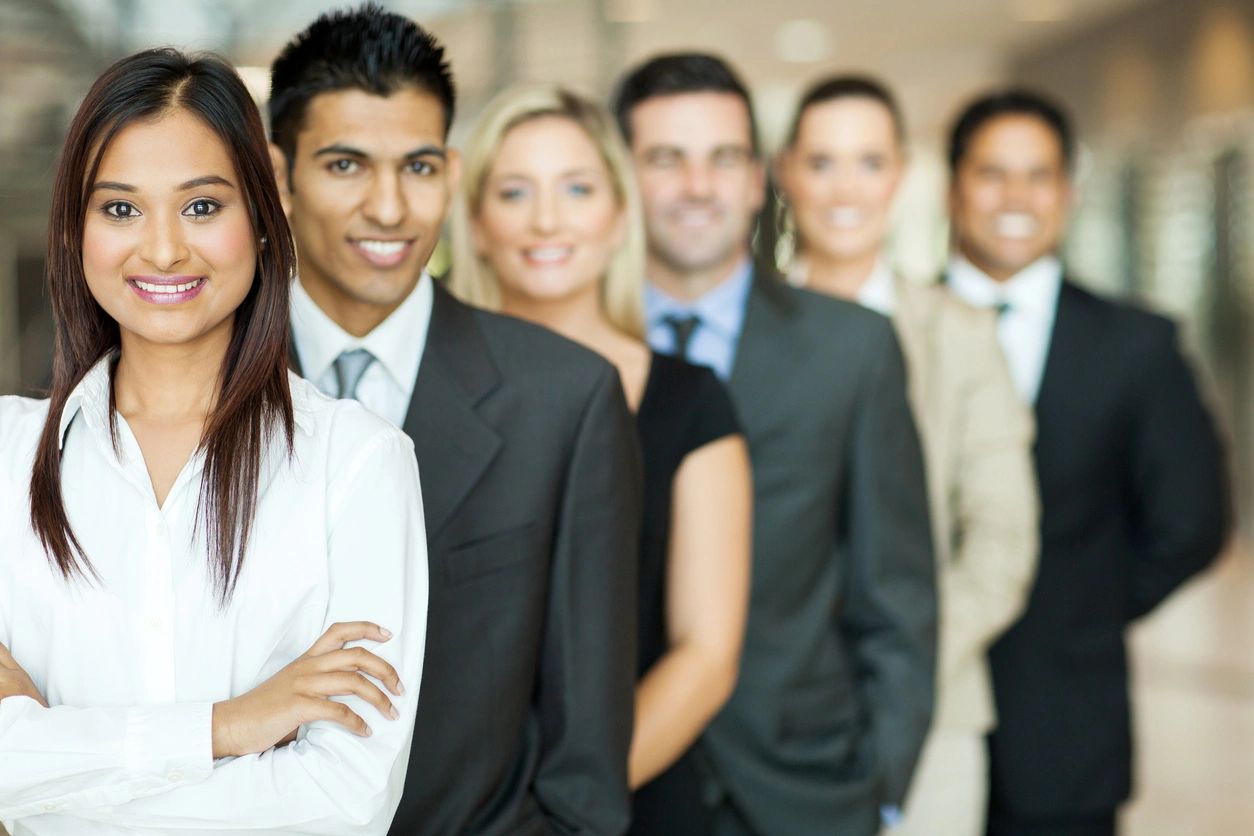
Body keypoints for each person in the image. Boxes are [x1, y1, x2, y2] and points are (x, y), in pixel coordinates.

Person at [0, 48, 428, 835]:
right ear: (75, 229)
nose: (162, 250)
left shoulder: (358, 463)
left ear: (263, 220)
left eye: (201, 207)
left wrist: (52, 765)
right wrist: (228, 727)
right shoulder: (4, 459)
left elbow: (343, 803)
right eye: (120, 209)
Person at [269, 7, 642, 834]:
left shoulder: (566, 399)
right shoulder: (200, 386)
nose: (390, 206)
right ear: (278, 177)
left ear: (453, 171)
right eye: (345, 164)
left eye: (419, 166)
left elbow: (586, 750)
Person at [612, 53, 936, 836]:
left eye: (723, 159)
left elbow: (895, 592)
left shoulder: (852, 349)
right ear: (621, 178)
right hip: (616, 782)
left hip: (805, 788)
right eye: (666, 159)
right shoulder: (572, 352)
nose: (698, 187)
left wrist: (881, 786)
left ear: (758, 179)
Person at [447, 84, 752, 834]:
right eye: (515, 191)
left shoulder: (691, 400)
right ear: (478, 224)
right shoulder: (417, 395)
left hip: (627, 801)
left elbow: (706, 655)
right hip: (443, 807)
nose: (547, 219)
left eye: (577, 189)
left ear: (619, 218)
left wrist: (558, 807)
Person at [941, 89, 1230, 836]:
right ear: (953, 187)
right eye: (992, 173)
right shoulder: (886, 332)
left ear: (1067, 193)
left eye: (1037, 176)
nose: (1015, 197)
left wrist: (1087, 605)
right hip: (916, 726)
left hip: (1067, 726)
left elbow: (1191, 522)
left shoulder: (1137, 346)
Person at [773, 75, 1039, 836]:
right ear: (787, 172)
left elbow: (1002, 542)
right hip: (765, 715)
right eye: (822, 163)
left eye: (868, 161)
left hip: (934, 714)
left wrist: (896, 667)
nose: (845, 188)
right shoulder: (742, 332)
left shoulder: (962, 334)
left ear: (901, 173)